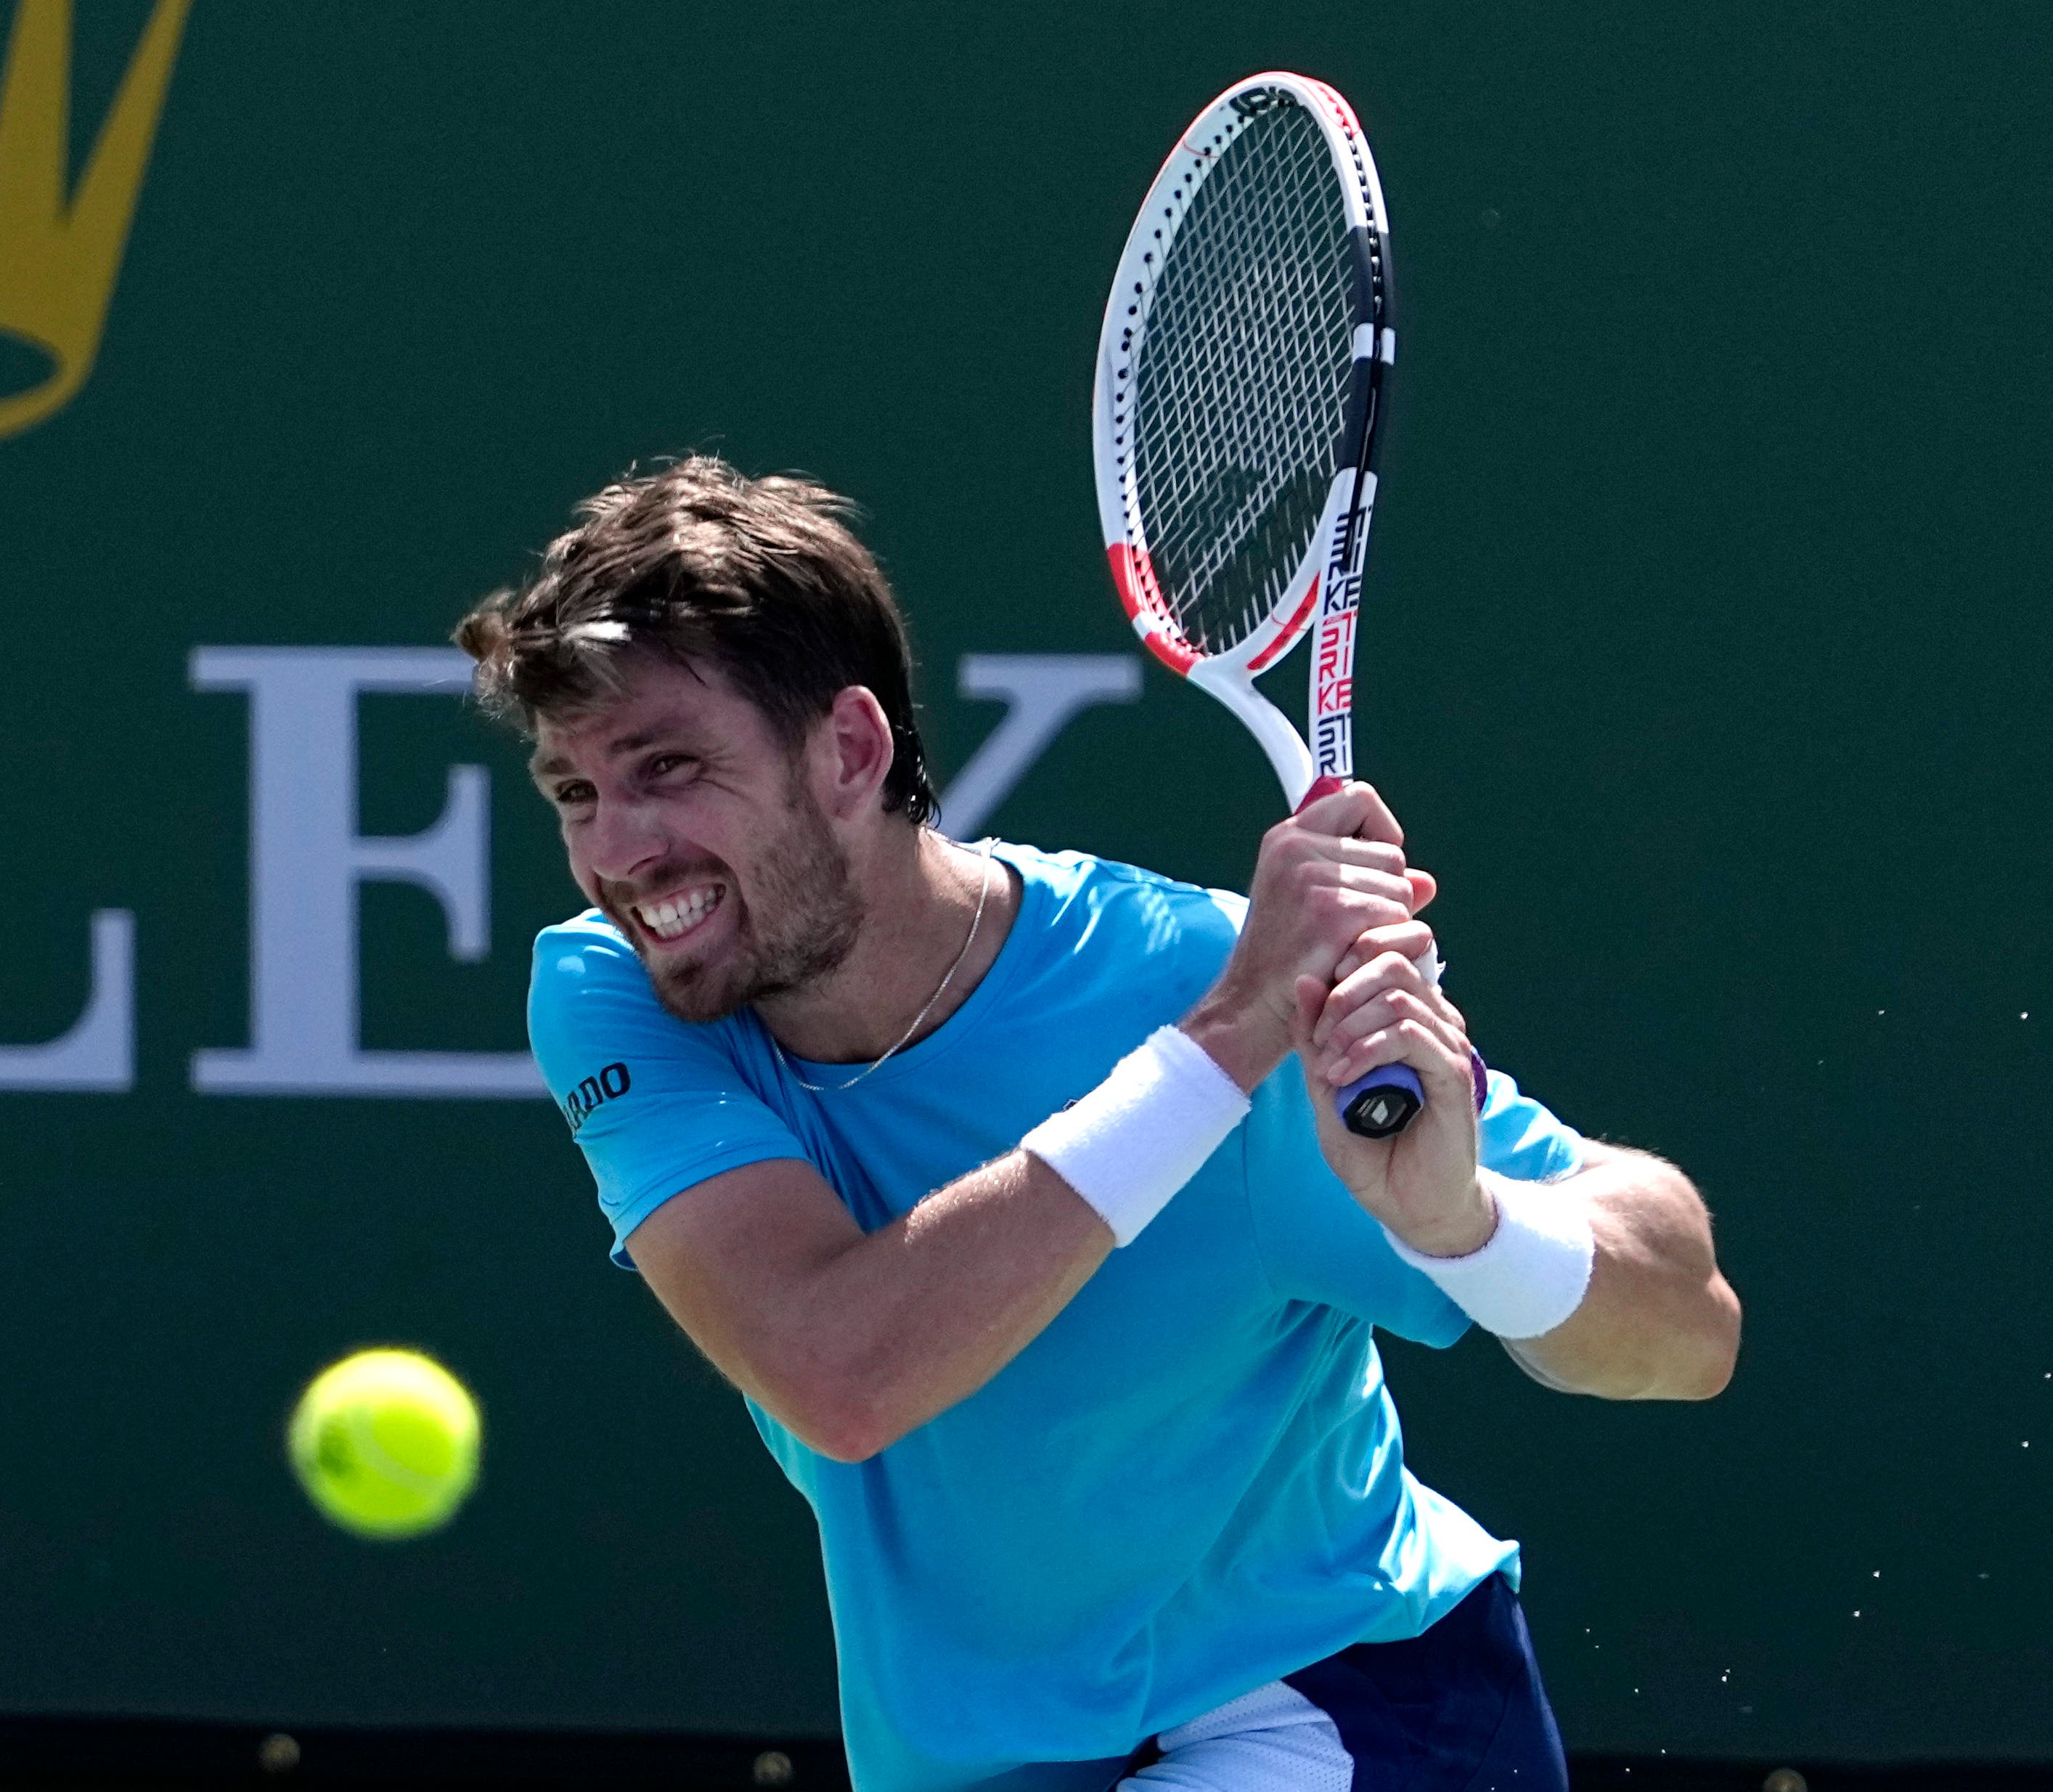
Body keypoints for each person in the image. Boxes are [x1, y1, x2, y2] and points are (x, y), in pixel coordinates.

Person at [457, 457, 1741, 1792]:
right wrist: (1223, 1046)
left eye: (668, 769)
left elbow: (1688, 1329)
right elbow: (840, 1375)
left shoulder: (1202, 974)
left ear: (847, 749)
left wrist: (1461, 1225)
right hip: (996, 1755)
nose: (620, 849)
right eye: (576, 795)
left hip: (1342, 1709)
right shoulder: (619, 993)